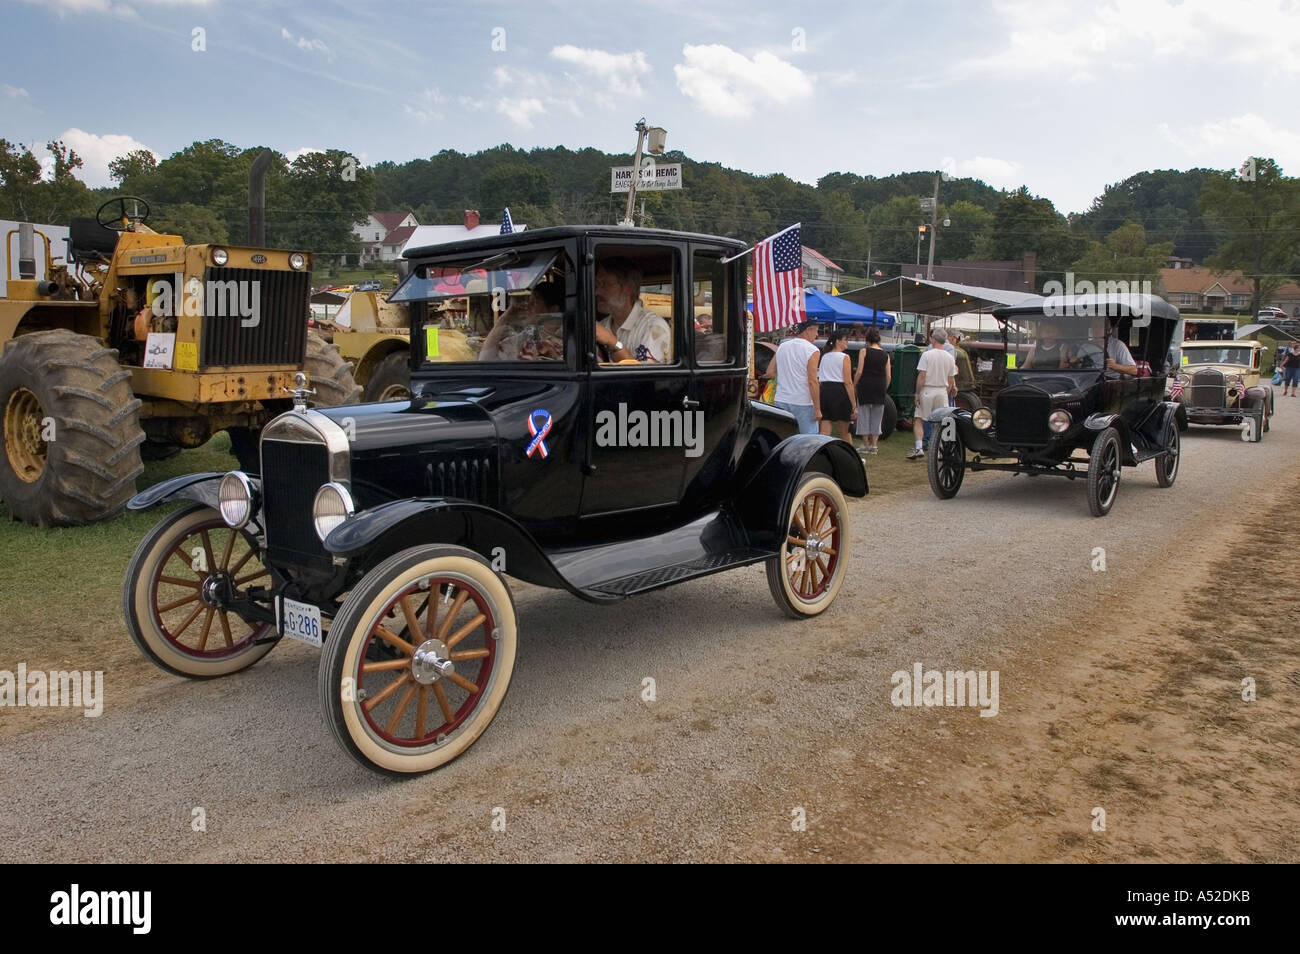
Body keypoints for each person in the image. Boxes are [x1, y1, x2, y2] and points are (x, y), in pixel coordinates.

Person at [593, 258, 671, 364]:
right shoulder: (602, 326)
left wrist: (613, 342)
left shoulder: (653, 327)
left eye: (605, 284)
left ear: (628, 288)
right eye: (597, 285)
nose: (597, 292)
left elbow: (645, 377)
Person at [478, 282, 565, 361]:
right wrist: (504, 319)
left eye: (534, 302)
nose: (527, 306)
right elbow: (485, 359)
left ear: (553, 309)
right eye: (529, 301)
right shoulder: (525, 338)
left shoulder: (570, 338)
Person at [908, 327, 957, 459]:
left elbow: (922, 376)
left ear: (933, 339)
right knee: (941, 422)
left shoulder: (927, 355)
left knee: (919, 419)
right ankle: (941, 451)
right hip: (942, 391)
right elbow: (951, 379)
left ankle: (919, 447)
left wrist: (917, 393)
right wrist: (946, 391)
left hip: (928, 390)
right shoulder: (949, 357)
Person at [773, 318, 822, 434]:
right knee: (808, 441)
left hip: (781, 398)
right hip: (803, 401)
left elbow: (770, 371)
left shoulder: (783, 346)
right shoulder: (812, 350)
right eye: (816, 331)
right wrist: (817, 409)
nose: (817, 335)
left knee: (783, 436)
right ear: (808, 330)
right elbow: (812, 381)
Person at [852, 326, 891, 455]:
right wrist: (884, 387)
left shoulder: (864, 351)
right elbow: (889, 376)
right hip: (880, 386)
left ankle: (865, 444)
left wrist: (854, 384)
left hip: (866, 385)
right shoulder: (885, 354)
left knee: (864, 415)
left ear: (867, 339)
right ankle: (874, 445)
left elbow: (860, 371)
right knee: (877, 416)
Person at [817, 329, 857, 441]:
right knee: (845, 431)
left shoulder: (824, 356)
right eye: (845, 339)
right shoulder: (844, 357)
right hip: (840, 392)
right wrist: (854, 405)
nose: (847, 342)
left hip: (825, 391)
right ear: (838, 341)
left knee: (824, 430)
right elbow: (848, 382)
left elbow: (820, 377)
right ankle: (850, 456)